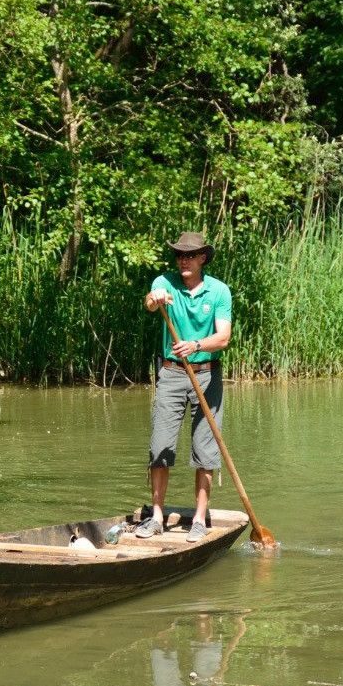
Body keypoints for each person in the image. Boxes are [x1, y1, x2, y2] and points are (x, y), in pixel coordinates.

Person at [140, 231, 232, 543]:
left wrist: (196, 344)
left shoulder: (219, 291)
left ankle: (199, 519)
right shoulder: (164, 283)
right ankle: (155, 517)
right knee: (160, 447)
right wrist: (154, 300)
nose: (183, 260)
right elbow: (151, 304)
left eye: (190, 255)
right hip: (171, 374)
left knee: (205, 451)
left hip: (207, 374)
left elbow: (223, 338)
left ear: (202, 258)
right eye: (180, 255)